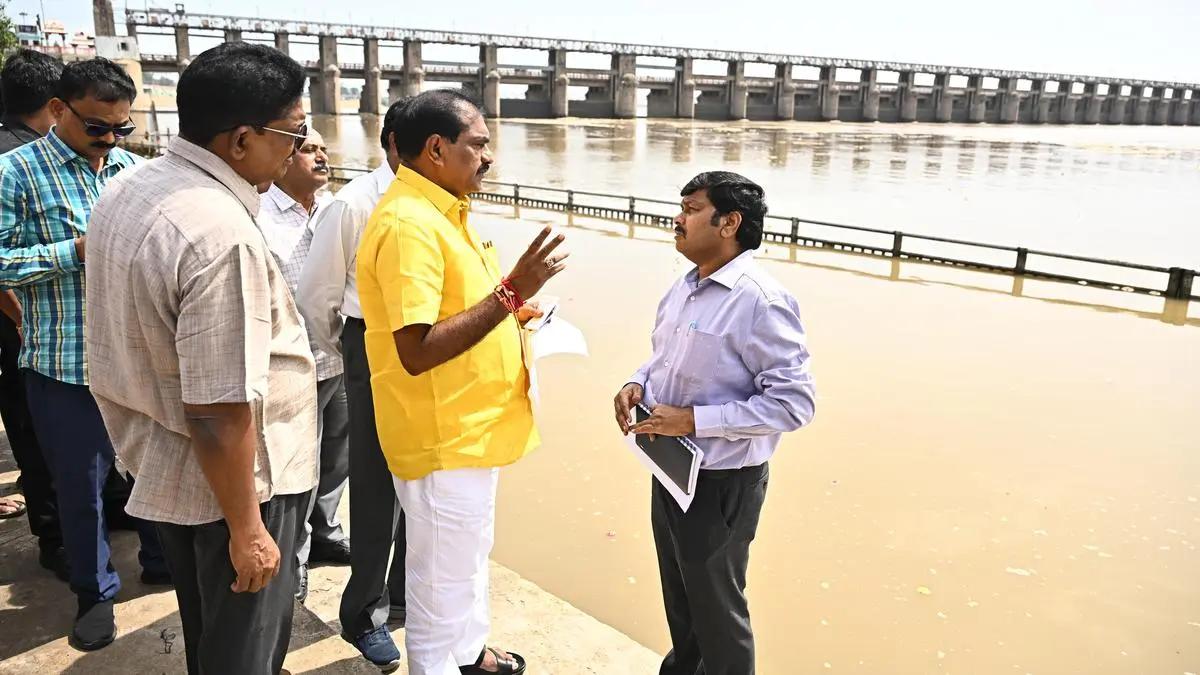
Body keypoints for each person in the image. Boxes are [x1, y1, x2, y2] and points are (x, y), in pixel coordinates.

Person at [83, 42, 318, 674]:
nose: (298, 149)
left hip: (171, 468)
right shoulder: (221, 235)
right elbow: (217, 409)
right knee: (243, 649)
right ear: (241, 140)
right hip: (237, 489)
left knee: (212, 635)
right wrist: (248, 530)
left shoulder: (132, 185)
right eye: (293, 134)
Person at [356, 88, 566, 675]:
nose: (489, 157)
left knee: (467, 558)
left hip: (471, 429)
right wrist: (512, 292)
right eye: (479, 144)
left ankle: (469, 654)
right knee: (439, 579)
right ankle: (435, 665)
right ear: (436, 148)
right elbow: (417, 349)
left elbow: (461, 308)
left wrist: (515, 311)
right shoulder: (409, 225)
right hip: (442, 435)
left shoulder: (445, 210)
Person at [613, 171, 816, 675]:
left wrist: (692, 421)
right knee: (681, 598)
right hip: (671, 471)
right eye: (680, 208)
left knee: (717, 611)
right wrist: (637, 382)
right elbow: (663, 358)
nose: (677, 219)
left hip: (722, 483)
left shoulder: (760, 301)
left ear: (729, 223)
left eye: (691, 209)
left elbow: (794, 404)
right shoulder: (685, 287)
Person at [0, 56, 171, 651]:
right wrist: (74, 251)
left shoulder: (131, 171)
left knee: (151, 471)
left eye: (121, 128)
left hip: (136, 358)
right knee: (80, 489)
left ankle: (159, 558)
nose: (109, 140)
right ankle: (95, 593)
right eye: (97, 127)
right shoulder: (16, 173)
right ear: (58, 109)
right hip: (64, 366)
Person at [296, 100, 407, 670]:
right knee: (375, 486)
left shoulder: (443, 203)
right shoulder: (356, 203)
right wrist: (351, 355)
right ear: (401, 145)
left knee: (425, 481)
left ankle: (407, 592)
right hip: (372, 345)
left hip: (430, 347)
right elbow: (317, 297)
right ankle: (364, 611)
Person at [256, 127, 352, 603]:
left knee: (337, 455)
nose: (321, 157)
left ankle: (327, 531)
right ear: (284, 157)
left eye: (323, 149)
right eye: (309, 149)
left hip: (338, 355)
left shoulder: (336, 210)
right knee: (296, 468)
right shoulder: (259, 215)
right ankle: (293, 560)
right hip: (292, 365)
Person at [0, 49, 63, 569]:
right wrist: (22, 319)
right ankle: (54, 535)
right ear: (56, 104)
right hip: (21, 324)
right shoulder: (22, 161)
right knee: (36, 429)